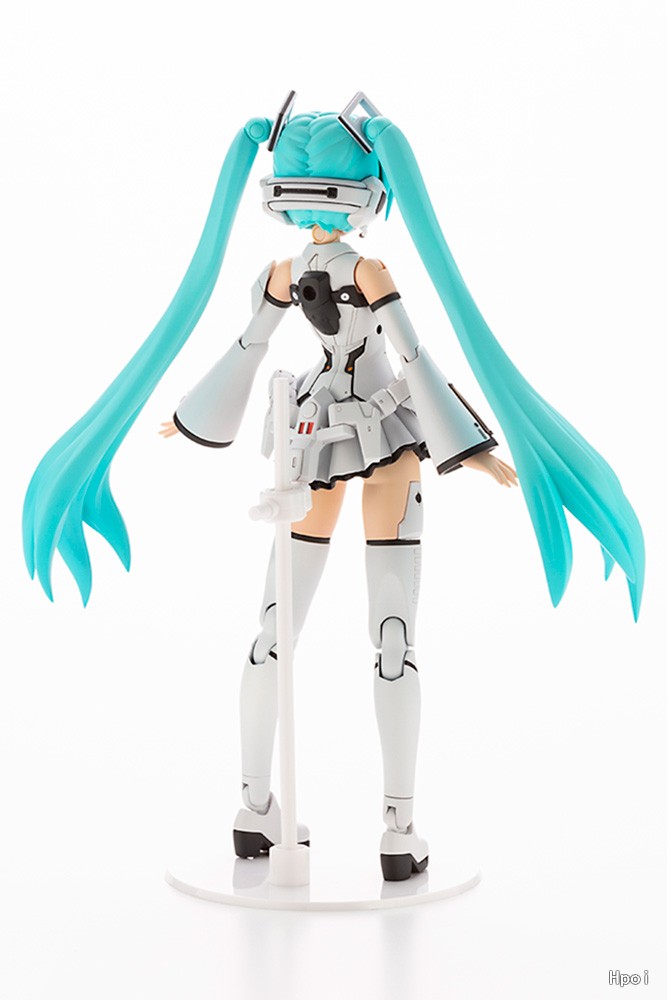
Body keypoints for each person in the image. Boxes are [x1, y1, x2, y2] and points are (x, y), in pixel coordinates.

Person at [23, 92, 644, 881]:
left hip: (315, 439)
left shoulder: (282, 272)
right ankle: (397, 832)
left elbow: (249, 347)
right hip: (380, 439)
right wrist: (469, 444)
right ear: (369, 192)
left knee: (276, 627)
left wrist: (191, 416)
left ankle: (254, 810)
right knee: (388, 638)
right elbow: (409, 359)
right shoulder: (366, 268)